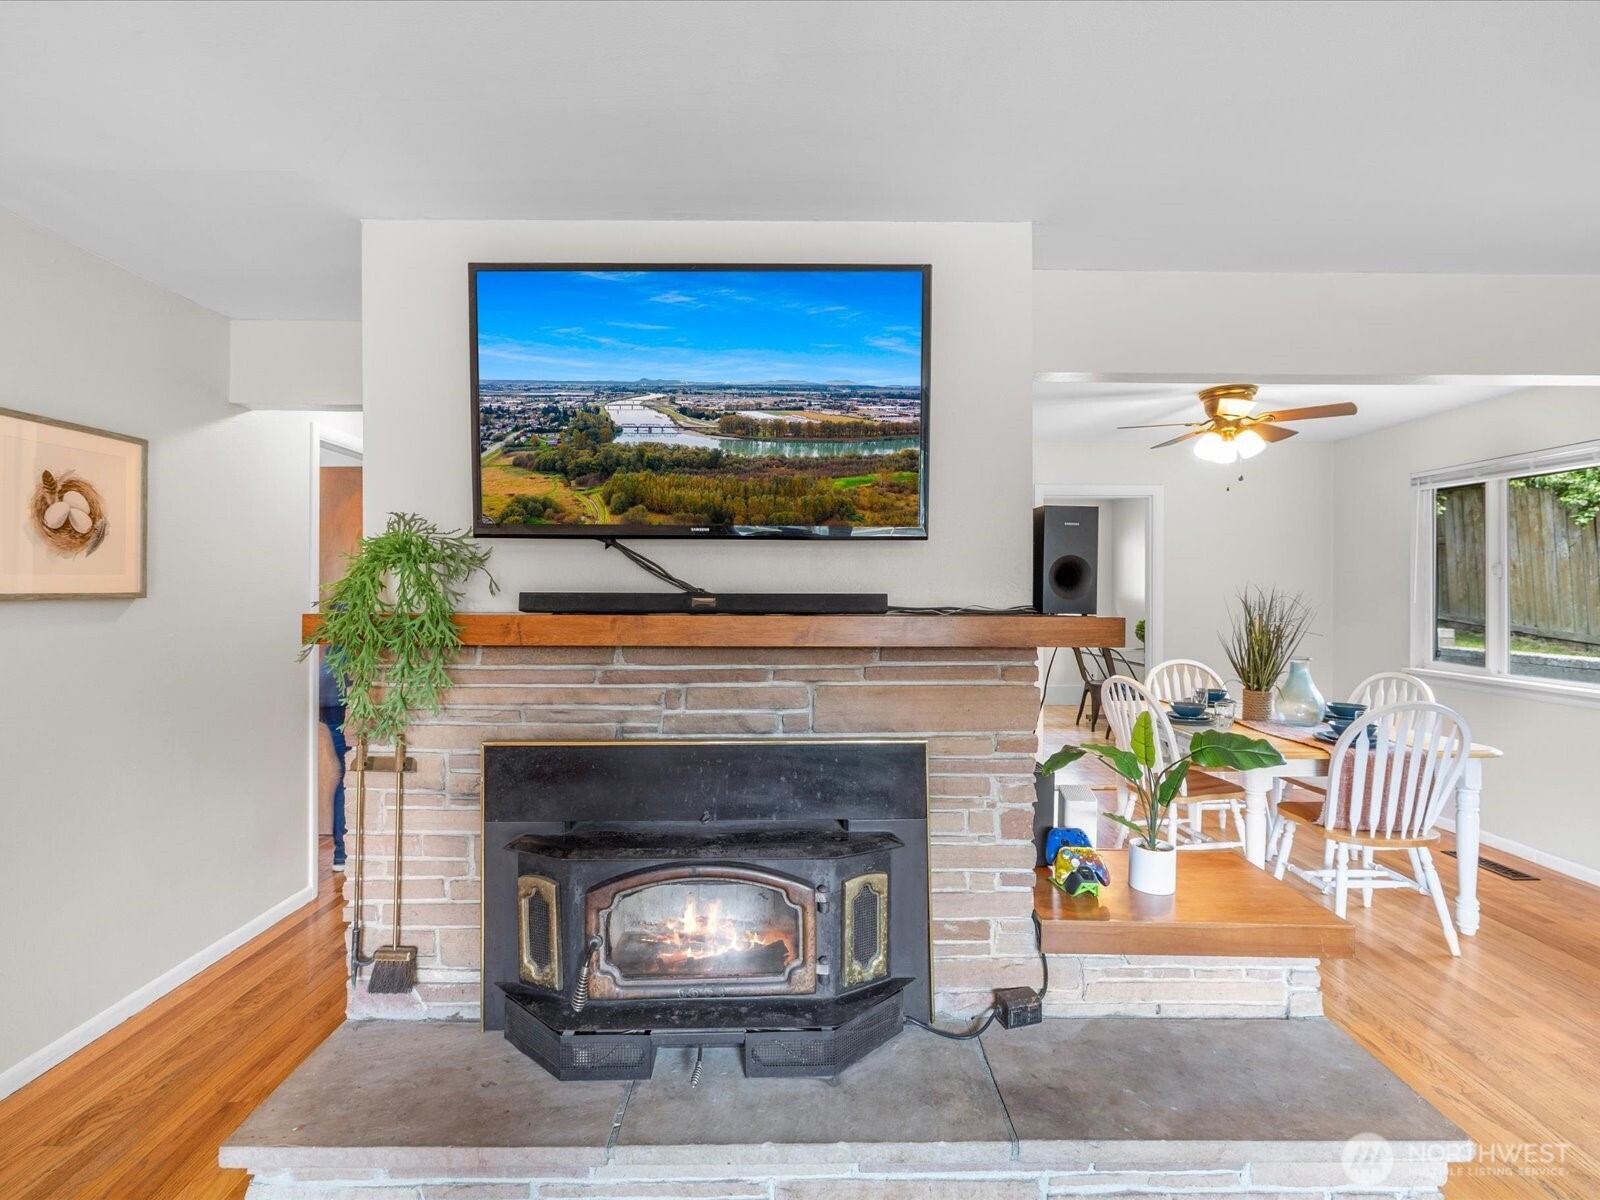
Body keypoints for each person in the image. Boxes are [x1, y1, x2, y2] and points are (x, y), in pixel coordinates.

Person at [319, 652, 348, 869]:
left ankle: (342, 852)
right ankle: (343, 850)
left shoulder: (335, 615)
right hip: (344, 691)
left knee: (345, 773)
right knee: (348, 774)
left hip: (330, 688)